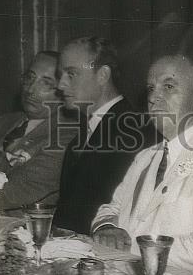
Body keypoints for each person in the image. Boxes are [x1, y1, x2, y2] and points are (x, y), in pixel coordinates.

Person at [91, 54, 193, 275]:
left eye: (169, 86)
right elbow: (111, 208)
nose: (154, 97)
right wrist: (107, 228)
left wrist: (126, 249)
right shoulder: (145, 157)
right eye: (151, 88)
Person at [52, 37, 153, 234]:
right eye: (60, 75)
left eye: (71, 74)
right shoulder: (84, 135)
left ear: (102, 75)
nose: (61, 85)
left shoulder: (134, 131)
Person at [0, 51, 64, 211]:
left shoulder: (64, 137)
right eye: (29, 78)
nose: (31, 89)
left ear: (64, 92)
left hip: (18, 228)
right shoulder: (3, 123)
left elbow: (13, 194)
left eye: (46, 83)